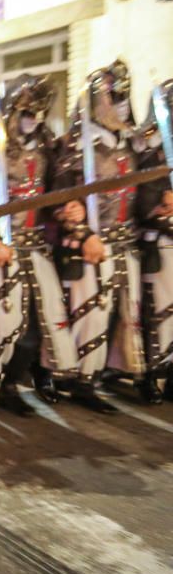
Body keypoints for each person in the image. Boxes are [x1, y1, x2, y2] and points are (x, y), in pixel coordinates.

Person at [0, 74, 80, 416]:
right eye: (28, 112)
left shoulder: (47, 145)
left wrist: (69, 207)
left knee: (40, 324)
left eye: (40, 113)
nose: (35, 120)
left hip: (35, 247)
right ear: (13, 108)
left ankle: (12, 384)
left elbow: (58, 189)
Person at [53, 61, 145, 412]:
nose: (120, 103)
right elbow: (59, 203)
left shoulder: (129, 143)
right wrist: (81, 232)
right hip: (91, 243)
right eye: (114, 96)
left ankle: (118, 370)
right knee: (90, 313)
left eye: (123, 96)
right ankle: (82, 380)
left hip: (127, 240)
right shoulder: (76, 147)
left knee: (127, 313)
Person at [127, 78, 173, 402]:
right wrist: (162, 198)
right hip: (156, 241)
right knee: (154, 313)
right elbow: (140, 198)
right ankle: (147, 375)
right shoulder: (145, 145)